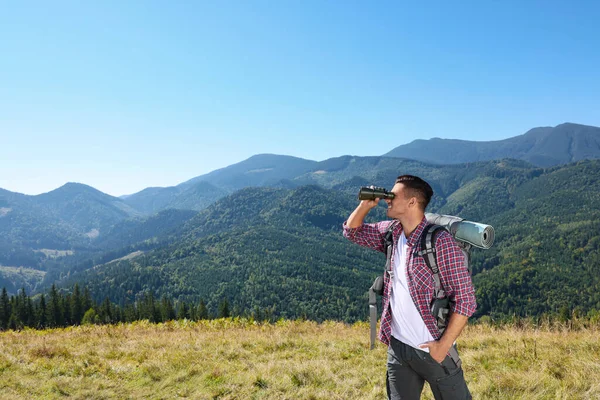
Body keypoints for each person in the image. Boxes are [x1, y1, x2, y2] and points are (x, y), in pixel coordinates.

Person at [343, 175, 476, 400]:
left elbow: (466, 300)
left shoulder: (439, 242)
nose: (388, 199)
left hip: (433, 349)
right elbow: (351, 232)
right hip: (399, 349)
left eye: (393, 196)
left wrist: (443, 346)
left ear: (412, 202)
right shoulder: (393, 233)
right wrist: (365, 205)